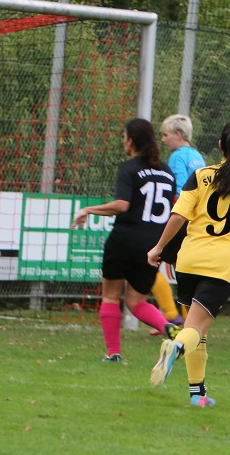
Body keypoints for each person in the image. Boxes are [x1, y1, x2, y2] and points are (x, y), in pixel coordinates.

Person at [146, 120, 230, 407]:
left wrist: (159, 247)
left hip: (189, 261)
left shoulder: (200, 175)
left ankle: (198, 396)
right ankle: (175, 347)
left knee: (198, 330)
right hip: (222, 267)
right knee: (193, 331)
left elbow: (179, 216)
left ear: (220, 145)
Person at [73, 118, 180, 364]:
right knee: (136, 301)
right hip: (153, 244)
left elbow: (122, 205)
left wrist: (89, 210)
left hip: (125, 239)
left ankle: (114, 353)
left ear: (130, 141)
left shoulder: (129, 168)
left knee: (111, 296)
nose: (123, 141)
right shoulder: (167, 172)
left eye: (124, 136)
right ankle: (169, 329)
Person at [154, 114, 207, 324]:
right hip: (197, 219)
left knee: (148, 261)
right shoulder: (196, 155)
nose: (163, 139)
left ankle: (171, 318)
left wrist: (172, 217)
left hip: (182, 217)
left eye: (165, 135)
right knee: (184, 270)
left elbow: (181, 189)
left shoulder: (177, 156)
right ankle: (188, 323)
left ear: (178, 134)